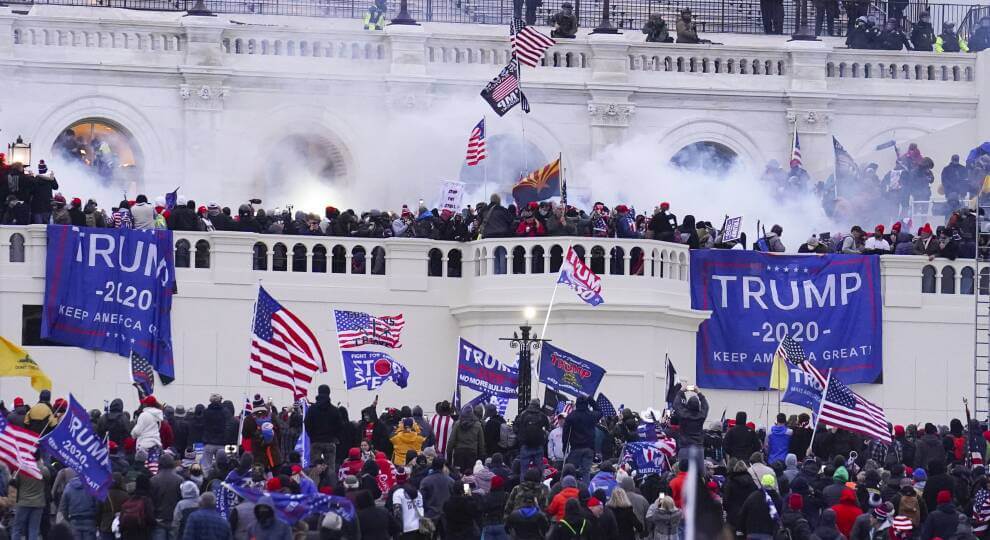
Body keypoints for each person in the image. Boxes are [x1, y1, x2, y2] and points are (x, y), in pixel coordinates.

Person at [562, 396, 602, 482]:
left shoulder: (571, 416)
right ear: (587, 404)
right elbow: (600, 412)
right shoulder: (592, 415)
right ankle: (585, 491)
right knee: (586, 472)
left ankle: (569, 487)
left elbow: (565, 434)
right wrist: (592, 401)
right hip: (589, 449)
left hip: (575, 449)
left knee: (570, 471)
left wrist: (564, 447)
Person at [149, 453, 183, 540]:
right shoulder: (179, 480)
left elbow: (151, 501)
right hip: (174, 518)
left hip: (158, 519)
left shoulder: (153, 480)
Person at [515, 399, 550, 477]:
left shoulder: (523, 414)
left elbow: (515, 428)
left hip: (525, 445)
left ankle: (524, 487)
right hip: (538, 446)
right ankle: (539, 487)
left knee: (524, 470)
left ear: (530, 404)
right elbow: (548, 428)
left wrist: (521, 439)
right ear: (538, 405)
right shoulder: (542, 415)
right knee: (540, 470)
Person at [447, 405, 485, 474]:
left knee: (458, 474)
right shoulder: (478, 425)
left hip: (459, 454)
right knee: (470, 475)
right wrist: (481, 458)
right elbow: (481, 444)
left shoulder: (457, 424)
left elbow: (451, 441)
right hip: (472, 454)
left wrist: (449, 456)